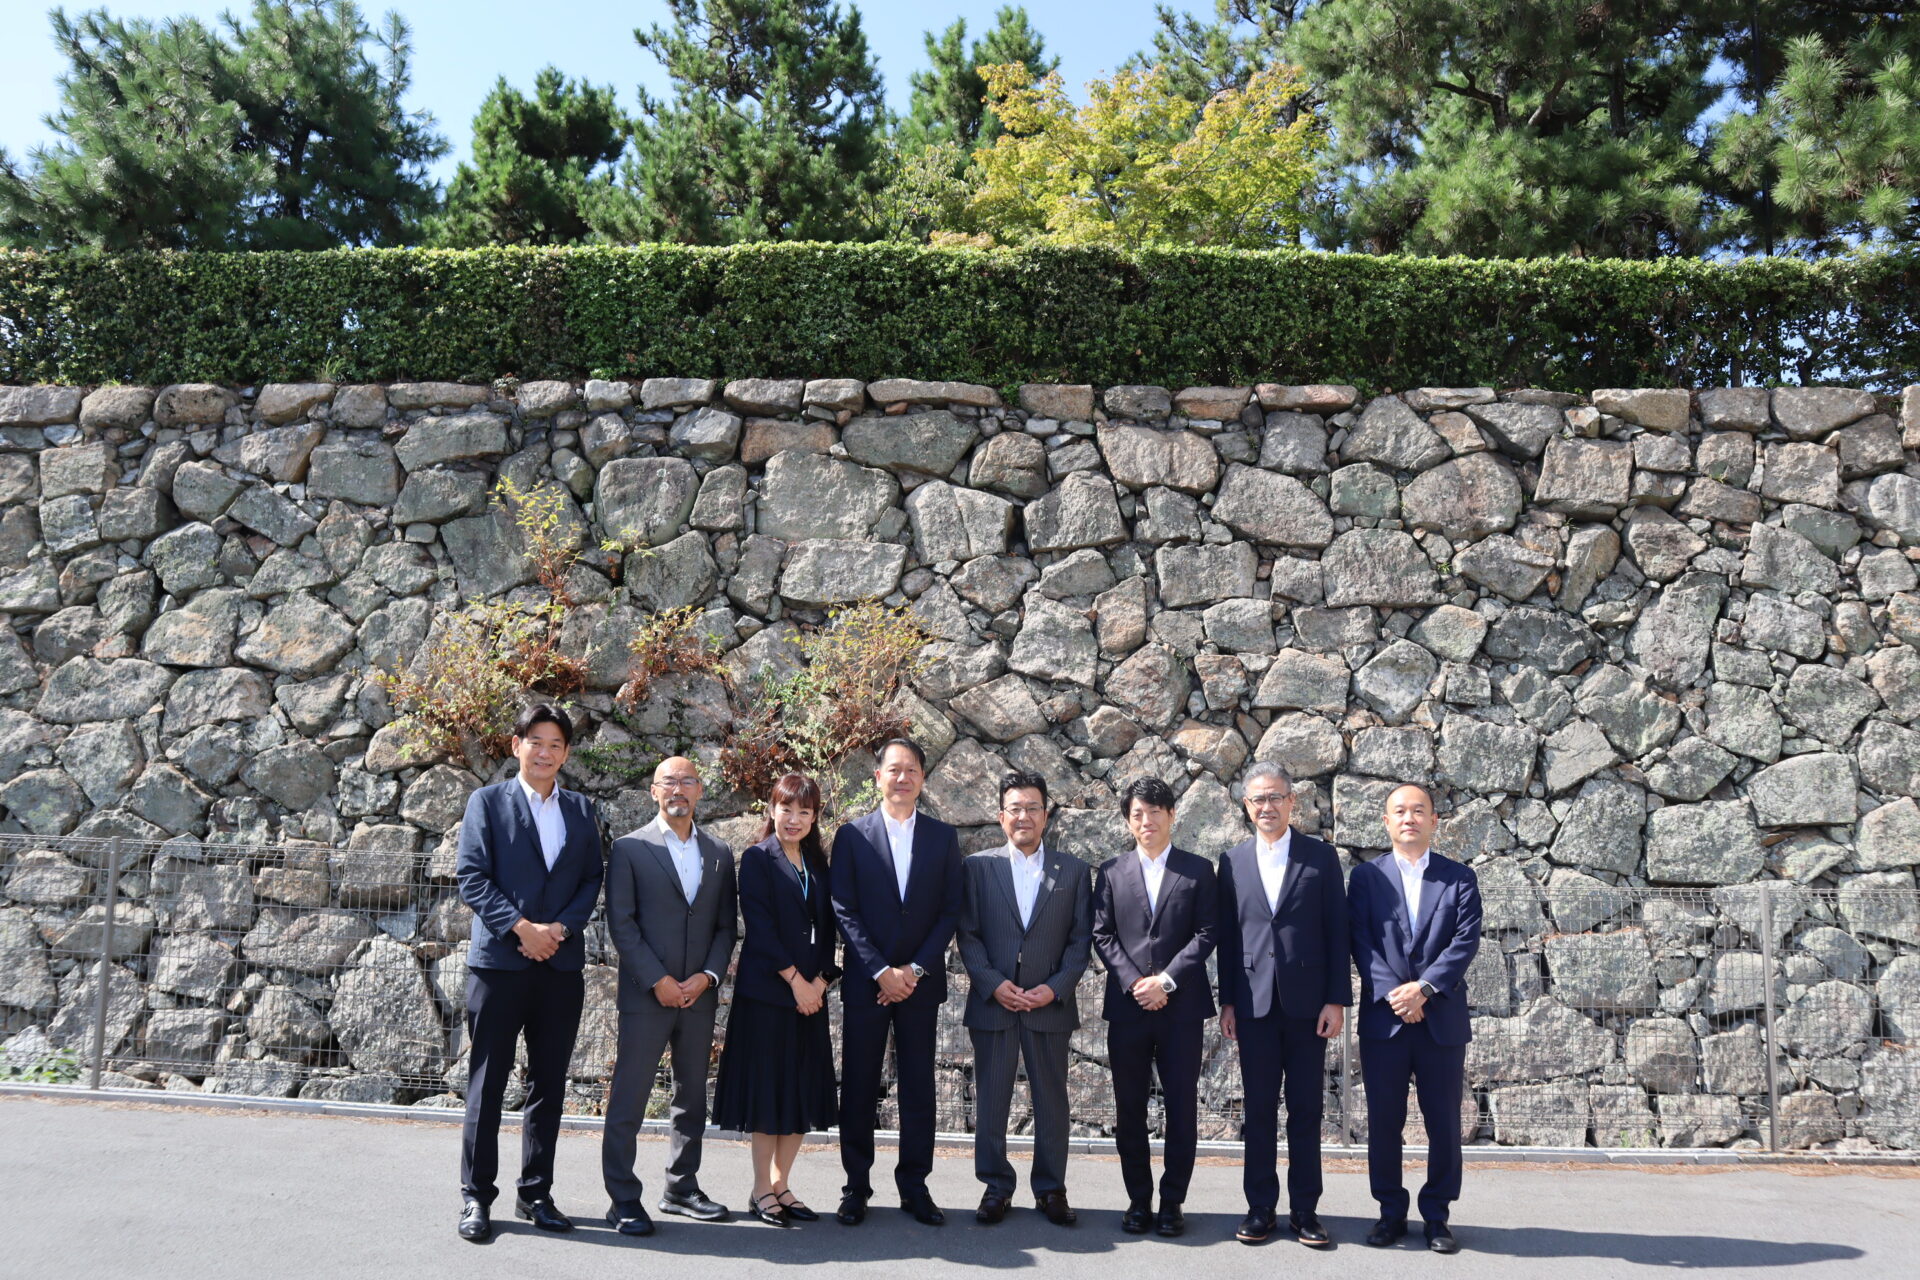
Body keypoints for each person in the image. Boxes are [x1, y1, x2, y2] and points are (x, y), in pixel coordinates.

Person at [453, 703, 605, 1242]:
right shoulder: (487, 802)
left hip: (559, 966)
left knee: (549, 1084)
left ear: (566, 753)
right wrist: (520, 928)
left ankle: (536, 1193)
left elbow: (591, 878)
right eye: (535, 741)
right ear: (516, 745)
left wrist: (558, 930)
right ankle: (476, 1197)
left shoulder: (582, 810)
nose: (545, 752)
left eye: (555, 744)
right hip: (499, 963)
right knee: (487, 1082)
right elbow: (471, 876)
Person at [600, 756, 739, 1236]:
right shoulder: (629, 848)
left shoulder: (719, 851)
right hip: (646, 995)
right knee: (630, 1097)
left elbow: (725, 927)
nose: (678, 789)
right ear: (653, 792)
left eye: (687, 781)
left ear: (699, 790)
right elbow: (622, 923)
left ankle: (681, 1187)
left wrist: (708, 976)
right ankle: (622, 1198)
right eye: (669, 782)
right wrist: (657, 979)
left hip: (699, 996)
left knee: (691, 1096)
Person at [829, 738, 964, 1227]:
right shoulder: (852, 836)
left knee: (918, 1087)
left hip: (919, 985)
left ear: (923, 778)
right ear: (878, 777)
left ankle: (915, 1186)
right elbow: (843, 908)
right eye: (894, 769)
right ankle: (855, 1187)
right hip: (868, 983)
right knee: (859, 1085)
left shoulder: (943, 837)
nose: (902, 777)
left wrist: (914, 970)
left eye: (912, 770)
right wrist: (880, 970)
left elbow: (950, 910)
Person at [1216, 762, 1350, 1247]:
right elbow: (1227, 937)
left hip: (1308, 1005)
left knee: (1306, 1110)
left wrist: (1336, 999)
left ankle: (1305, 1211)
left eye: (1275, 797)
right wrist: (1227, 1001)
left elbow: (1338, 930)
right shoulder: (1231, 861)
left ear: (1292, 801)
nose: (1267, 806)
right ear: (1246, 806)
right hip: (1253, 1004)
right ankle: (1260, 1209)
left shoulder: (1321, 858)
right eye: (1258, 799)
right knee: (1258, 1110)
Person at [1348, 783, 1484, 1255]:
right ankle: (1390, 1213)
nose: (1410, 818)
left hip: (1440, 1020)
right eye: (1400, 811)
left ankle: (1437, 1216)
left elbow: (1465, 941)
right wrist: (1397, 995)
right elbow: (1360, 940)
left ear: (1434, 821)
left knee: (1443, 1122)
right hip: (1385, 1022)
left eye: (1419, 811)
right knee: (1384, 1121)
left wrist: (1423, 989)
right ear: (1386, 821)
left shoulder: (1458, 877)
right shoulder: (1366, 878)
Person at [955, 769, 1094, 1227]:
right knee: (992, 1099)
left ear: (1046, 815)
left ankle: (1051, 1189)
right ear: (1001, 816)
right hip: (994, 1003)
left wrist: (1054, 988)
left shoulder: (1073, 871)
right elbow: (967, 934)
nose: (1024, 816)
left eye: (1033, 807)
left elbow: (1080, 941)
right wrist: (993, 983)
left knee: (1052, 1102)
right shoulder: (978, 867)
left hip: (1048, 1005)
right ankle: (996, 1187)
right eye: (1015, 808)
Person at [1091, 776, 1218, 1238]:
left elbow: (1208, 931)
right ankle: (1138, 1199)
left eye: (1155, 812)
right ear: (1129, 821)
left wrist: (1165, 981)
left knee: (1181, 1107)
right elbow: (1102, 933)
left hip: (1181, 1009)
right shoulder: (1111, 871)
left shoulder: (1197, 870)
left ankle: (1172, 1201)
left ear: (1171, 815)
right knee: (1129, 1107)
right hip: (1128, 1009)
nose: (1147, 821)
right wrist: (1134, 982)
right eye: (1138, 814)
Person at [713, 773, 841, 1228]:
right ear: (772, 809)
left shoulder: (818, 862)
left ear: (814, 817)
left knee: (799, 1092)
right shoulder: (757, 859)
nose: (794, 819)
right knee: (768, 1094)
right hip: (768, 996)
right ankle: (760, 1190)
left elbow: (829, 927)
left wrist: (821, 981)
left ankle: (782, 1184)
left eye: (804, 811)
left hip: (811, 997)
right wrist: (796, 981)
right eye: (787, 808)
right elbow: (761, 928)